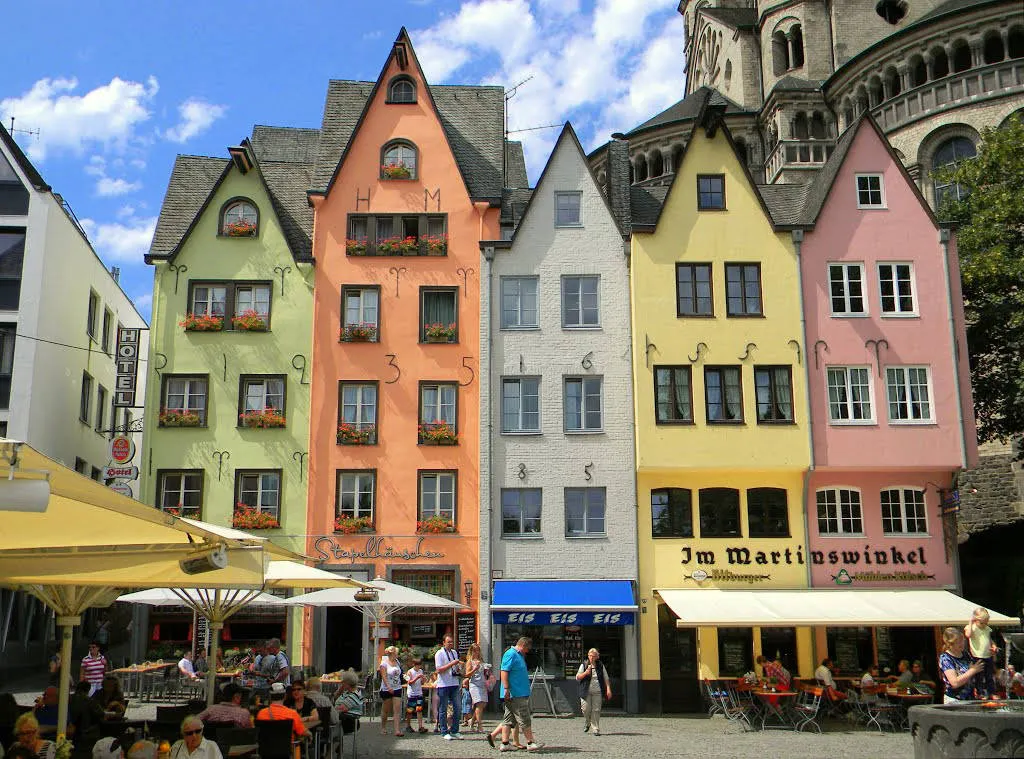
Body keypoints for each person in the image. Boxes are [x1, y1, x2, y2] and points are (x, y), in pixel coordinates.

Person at [494, 636, 541, 753]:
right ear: (523, 645)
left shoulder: (519, 655)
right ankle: (530, 742)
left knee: (509, 719)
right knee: (524, 717)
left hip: (518, 692)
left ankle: (505, 743)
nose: (528, 651)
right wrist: (506, 688)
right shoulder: (511, 654)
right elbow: (504, 671)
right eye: (528, 648)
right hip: (515, 693)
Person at [939, 626, 985, 703]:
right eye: (958, 642)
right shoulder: (945, 658)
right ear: (950, 643)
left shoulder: (966, 655)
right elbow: (954, 683)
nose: (962, 643)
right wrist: (973, 670)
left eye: (962, 640)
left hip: (970, 698)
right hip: (954, 700)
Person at [576, 648, 612, 736]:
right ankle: (588, 722)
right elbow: (577, 677)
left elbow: (606, 678)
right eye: (590, 656)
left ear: (597, 657)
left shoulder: (600, 665)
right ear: (588, 656)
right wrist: (585, 673)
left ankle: (595, 729)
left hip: (597, 691)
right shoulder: (584, 664)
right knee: (585, 709)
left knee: (596, 710)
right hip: (586, 691)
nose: (591, 658)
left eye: (594, 656)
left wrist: (608, 689)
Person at [433, 634, 463, 741]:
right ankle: (444, 731)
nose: (451, 644)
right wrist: (452, 664)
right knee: (443, 709)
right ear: (444, 643)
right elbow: (439, 670)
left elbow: (455, 667)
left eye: (452, 642)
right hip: (444, 684)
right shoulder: (439, 654)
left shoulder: (454, 652)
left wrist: (458, 668)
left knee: (458, 707)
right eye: (449, 642)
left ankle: (455, 730)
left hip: (454, 683)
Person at [965, 607, 998, 699]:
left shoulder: (987, 629)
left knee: (989, 676)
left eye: (986, 623)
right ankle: (980, 693)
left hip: (988, 655)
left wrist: (994, 646)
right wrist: (970, 622)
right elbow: (968, 635)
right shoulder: (972, 627)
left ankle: (991, 692)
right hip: (977, 656)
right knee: (979, 676)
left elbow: (989, 639)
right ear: (975, 620)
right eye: (982, 623)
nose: (984, 625)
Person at [69, 680, 105, 758]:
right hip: (85, 733)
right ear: (88, 690)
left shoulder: (68, 698)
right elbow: (101, 714)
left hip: (70, 731)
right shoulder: (89, 701)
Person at [377, 646, 404, 738]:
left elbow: (399, 674)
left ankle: (397, 730)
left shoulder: (397, 662)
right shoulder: (384, 664)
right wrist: (388, 687)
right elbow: (384, 677)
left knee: (397, 710)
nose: (398, 654)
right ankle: (383, 727)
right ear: (392, 653)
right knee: (386, 710)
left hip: (397, 688)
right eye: (397, 653)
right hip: (386, 689)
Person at [464, 644, 487, 733]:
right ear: (471, 651)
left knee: (482, 704)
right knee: (479, 704)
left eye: (478, 650)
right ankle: (479, 725)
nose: (477, 652)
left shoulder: (481, 660)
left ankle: (472, 721)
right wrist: (475, 669)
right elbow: (467, 674)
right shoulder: (470, 661)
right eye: (475, 650)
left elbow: (483, 672)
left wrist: (486, 670)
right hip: (474, 685)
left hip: (482, 684)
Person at [333, 670, 362, 735]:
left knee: (327, 719)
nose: (341, 683)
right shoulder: (346, 693)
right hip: (343, 718)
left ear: (347, 683)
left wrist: (331, 711)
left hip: (350, 722)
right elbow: (335, 697)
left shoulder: (355, 695)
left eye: (343, 682)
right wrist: (341, 689)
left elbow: (341, 709)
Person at [403, 658, 427, 734]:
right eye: (417, 665)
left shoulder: (420, 671)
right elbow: (409, 682)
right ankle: (408, 725)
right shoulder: (410, 672)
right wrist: (417, 677)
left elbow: (422, 683)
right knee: (410, 710)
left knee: (419, 709)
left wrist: (423, 679)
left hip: (419, 693)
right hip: (412, 694)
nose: (419, 667)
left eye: (420, 665)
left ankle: (420, 726)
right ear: (414, 665)